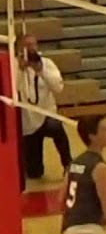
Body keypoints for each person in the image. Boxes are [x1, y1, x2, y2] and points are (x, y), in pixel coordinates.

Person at [18, 33, 71, 185]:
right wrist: (20, 70)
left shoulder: (47, 63)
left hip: (47, 115)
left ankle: (69, 164)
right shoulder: (14, 66)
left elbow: (58, 87)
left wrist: (40, 70)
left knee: (56, 126)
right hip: (28, 123)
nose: (30, 49)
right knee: (35, 173)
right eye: (26, 46)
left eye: (32, 45)